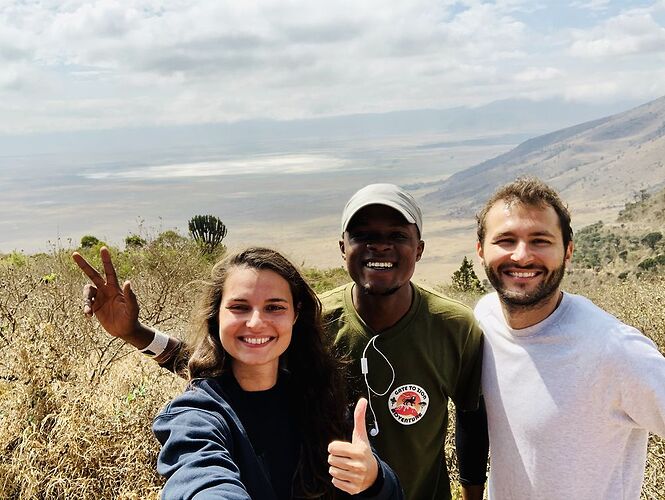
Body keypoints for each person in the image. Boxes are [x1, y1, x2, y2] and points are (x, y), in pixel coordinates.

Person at [74, 184, 488, 500]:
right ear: (343, 248)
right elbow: (223, 375)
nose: (259, 322)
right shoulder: (311, 324)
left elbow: (472, 416)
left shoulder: (454, 325)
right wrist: (135, 333)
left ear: (419, 247)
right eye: (363, 235)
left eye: (396, 235)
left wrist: (377, 476)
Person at [77, 246, 403, 499]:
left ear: (295, 314)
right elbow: (200, 477)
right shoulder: (197, 414)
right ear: (216, 316)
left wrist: (374, 478)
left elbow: (388, 494)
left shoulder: (321, 397)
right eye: (239, 307)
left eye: (274, 307)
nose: (256, 322)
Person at [474, 177, 665, 499]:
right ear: (480, 250)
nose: (522, 256)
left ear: (568, 251)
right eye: (506, 240)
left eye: (540, 240)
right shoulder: (484, 319)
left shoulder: (613, 349)